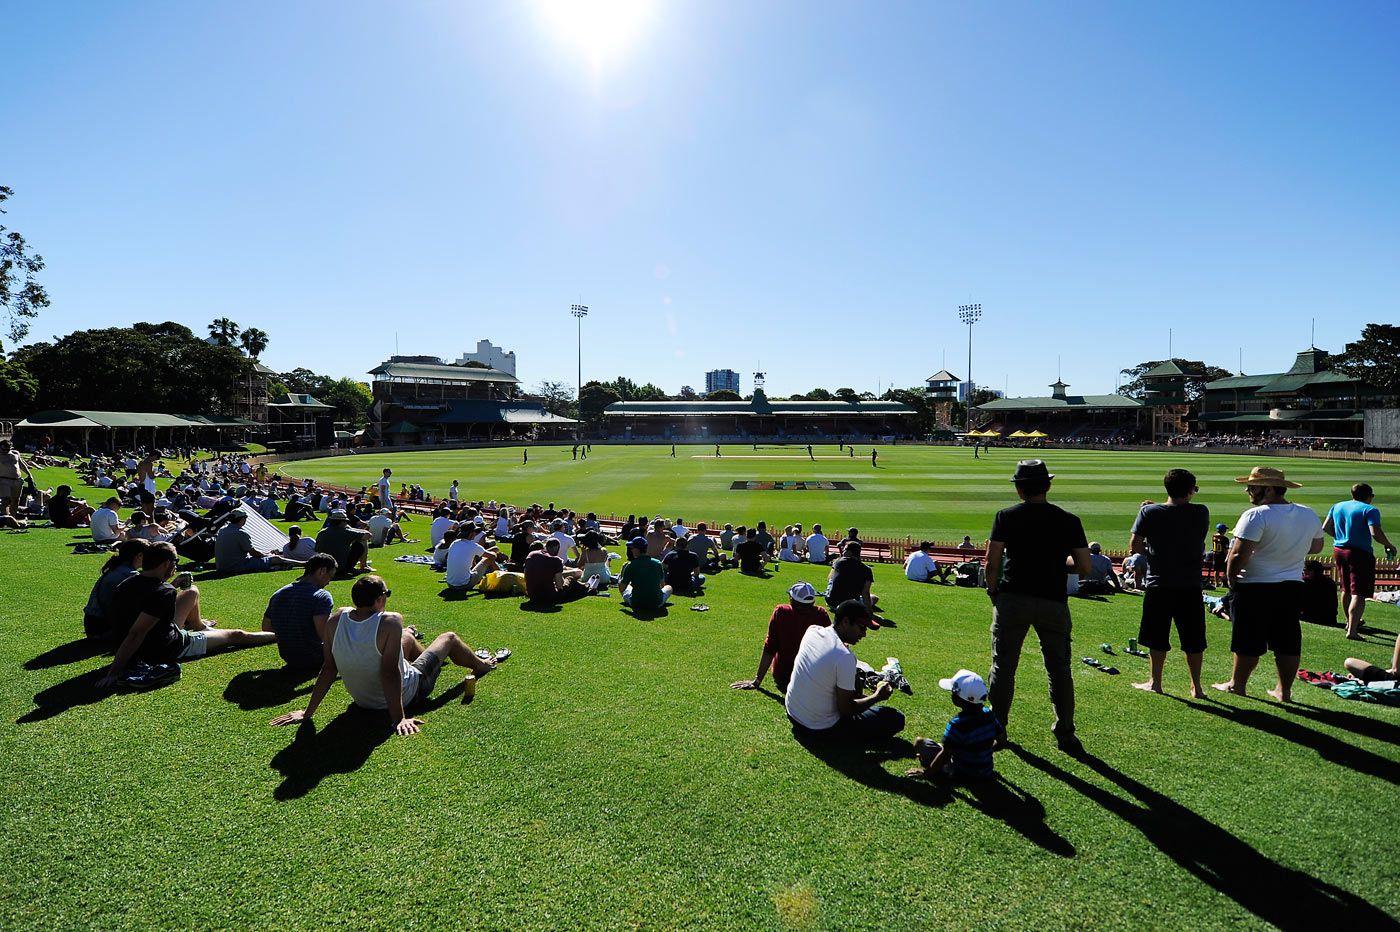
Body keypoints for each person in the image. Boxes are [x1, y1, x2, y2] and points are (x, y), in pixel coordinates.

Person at [270, 575, 496, 737]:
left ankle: (435, 661)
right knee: (449, 637)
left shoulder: (337, 619)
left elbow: (328, 669)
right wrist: (398, 718)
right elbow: (389, 672)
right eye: (386, 594)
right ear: (379, 600)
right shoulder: (390, 620)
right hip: (409, 692)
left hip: (363, 700)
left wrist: (307, 713)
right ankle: (481, 664)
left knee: (407, 636)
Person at [985, 460, 1091, 754]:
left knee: (1003, 667)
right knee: (1059, 669)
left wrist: (992, 590)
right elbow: (1083, 566)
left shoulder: (1005, 516)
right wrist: (1056, 563)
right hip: (1053, 601)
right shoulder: (1069, 520)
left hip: (1013, 598)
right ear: (1048, 485)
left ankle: (998, 729)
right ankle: (1066, 732)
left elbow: (992, 561)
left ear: (1019, 489)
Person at [1213, 466, 1323, 702]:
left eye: (1253, 487)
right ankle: (1284, 691)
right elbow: (1316, 547)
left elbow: (1237, 555)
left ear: (1270, 489)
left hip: (1254, 586)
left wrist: (1231, 579)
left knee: (1247, 640)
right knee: (1288, 640)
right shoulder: (1308, 513)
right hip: (1291, 586)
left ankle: (1237, 685)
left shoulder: (1256, 515)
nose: (1248, 490)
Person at [97, 543, 275, 687]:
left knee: (191, 591)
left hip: (156, 635)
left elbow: (134, 617)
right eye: (175, 562)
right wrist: (114, 671)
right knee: (235, 635)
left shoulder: (128, 582)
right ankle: (279, 635)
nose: (176, 567)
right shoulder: (163, 591)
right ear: (166, 564)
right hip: (166, 646)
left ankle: (199, 626)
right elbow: (137, 633)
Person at [1128, 468, 1210, 698]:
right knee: (1194, 638)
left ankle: (1155, 682)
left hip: (1159, 583)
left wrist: (1154, 554)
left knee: (1157, 636)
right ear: (1191, 490)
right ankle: (1197, 686)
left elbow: (1135, 545)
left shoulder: (1149, 512)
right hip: (1190, 584)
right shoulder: (1201, 511)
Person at [784, 600, 903, 744]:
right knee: (895, 718)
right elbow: (846, 710)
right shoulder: (844, 656)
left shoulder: (813, 631)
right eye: (861, 628)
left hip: (793, 713)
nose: (864, 634)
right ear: (845, 622)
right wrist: (877, 696)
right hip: (819, 729)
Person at [1323, 483, 1396, 640]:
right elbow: (1375, 532)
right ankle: (1352, 630)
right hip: (1359, 553)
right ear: (1369, 496)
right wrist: (1388, 545)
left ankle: (1349, 622)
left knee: (1346, 588)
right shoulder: (1370, 510)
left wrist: (1340, 538)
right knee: (1359, 592)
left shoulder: (1337, 506)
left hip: (1339, 550)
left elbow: (1326, 527)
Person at [731, 582, 830, 693]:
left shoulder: (782, 612)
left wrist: (757, 680)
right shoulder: (821, 614)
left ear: (791, 599)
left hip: (784, 676)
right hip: (812, 678)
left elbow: (770, 647)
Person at [905, 669, 1002, 781]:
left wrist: (926, 773)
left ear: (958, 699)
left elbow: (945, 754)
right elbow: (1002, 741)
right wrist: (980, 753)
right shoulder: (989, 715)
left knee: (920, 743)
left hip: (960, 772)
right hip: (986, 771)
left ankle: (942, 771)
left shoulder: (957, 724)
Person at [262, 554, 337, 670]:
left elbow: (266, 628)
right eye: (330, 576)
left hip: (288, 657)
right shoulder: (321, 596)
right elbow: (324, 635)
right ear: (322, 571)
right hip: (315, 658)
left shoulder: (279, 593)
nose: (328, 582)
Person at [83, 539, 149, 640]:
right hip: (104, 628)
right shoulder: (129, 575)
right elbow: (154, 598)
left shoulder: (115, 568)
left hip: (92, 625)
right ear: (139, 556)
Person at [215, 510, 303, 574]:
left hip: (221, 566)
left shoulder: (222, 530)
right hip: (235, 566)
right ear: (242, 519)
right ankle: (304, 564)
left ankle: (276, 566)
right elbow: (254, 553)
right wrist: (267, 556)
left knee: (268, 557)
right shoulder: (240, 533)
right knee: (276, 558)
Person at [524, 538, 588, 604]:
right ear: (557, 548)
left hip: (532, 595)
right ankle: (587, 587)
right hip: (549, 597)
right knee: (570, 580)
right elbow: (560, 586)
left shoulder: (531, 555)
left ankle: (585, 586)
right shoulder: (556, 560)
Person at [618, 536, 671, 611]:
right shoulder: (657, 563)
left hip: (636, 603)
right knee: (669, 587)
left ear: (637, 549)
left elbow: (622, 588)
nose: (631, 550)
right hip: (656, 602)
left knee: (627, 585)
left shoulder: (631, 565)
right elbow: (662, 585)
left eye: (632, 548)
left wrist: (621, 574)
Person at [315, 510, 373, 575]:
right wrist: (352, 529)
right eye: (346, 522)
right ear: (342, 522)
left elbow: (317, 549)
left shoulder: (321, 533)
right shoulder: (346, 532)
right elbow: (368, 535)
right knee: (363, 541)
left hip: (324, 566)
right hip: (342, 567)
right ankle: (363, 566)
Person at [826, 541, 877, 609]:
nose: (843, 552)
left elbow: (830, 578)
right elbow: (865, 592)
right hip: (850, 604)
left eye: (844, 550)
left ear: (849, 552)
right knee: (874, 598)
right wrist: (869, 611)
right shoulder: (866, 569)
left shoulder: (838, 562)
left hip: (831, 601)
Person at [0, 439, 35, 518]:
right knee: (6, 500)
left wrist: (29, 475)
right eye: (3, 449)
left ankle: (12, 518)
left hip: (17, 480)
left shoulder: (15, 453)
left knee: (15, 500)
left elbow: (21, 464)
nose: (5, 451)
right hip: (4, 480)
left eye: (7, 449)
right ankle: (5, 518)